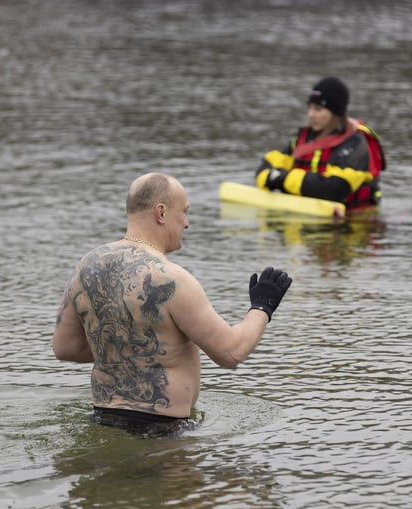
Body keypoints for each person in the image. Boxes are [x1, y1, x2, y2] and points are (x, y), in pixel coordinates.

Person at [52, 172, 293, 436]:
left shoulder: (87, 267)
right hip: (164, 432)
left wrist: (126, 345)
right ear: (161, 212)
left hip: (102, 419)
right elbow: (231, 352)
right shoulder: (172, 279)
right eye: (185, 212)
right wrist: (262, 307)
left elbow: (65, 348)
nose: (187, 223)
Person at [255, 76, 387, 211]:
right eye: (310, 108)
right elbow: (267, 166)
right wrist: (270, 177)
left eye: (318, 109)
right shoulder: (302, 138)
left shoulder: (355, 143)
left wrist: (282, 179)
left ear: (335, 113)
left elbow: (335, 188)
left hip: (352, 221)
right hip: (308, 215)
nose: (311, 115)